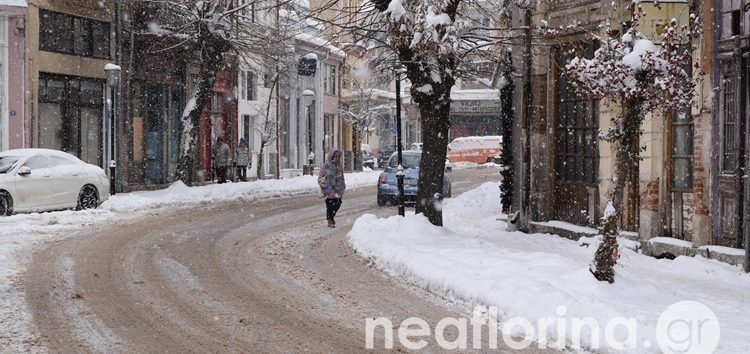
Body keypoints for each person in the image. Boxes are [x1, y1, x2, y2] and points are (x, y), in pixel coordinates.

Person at [318, 149, 346, 228]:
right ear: (331, 156)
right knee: (330, 206)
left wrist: (343, 185)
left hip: (338, 190)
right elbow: (321, 178)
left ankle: (331, 218)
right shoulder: (326, 166)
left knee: (338, 203)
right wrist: (326, 188)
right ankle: (330, 220)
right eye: (335, 156)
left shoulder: (339, 166)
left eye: (338, 156)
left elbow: (341, 177)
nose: (336, 158)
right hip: (329, 190)